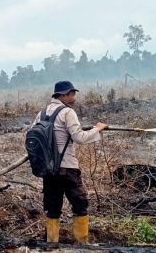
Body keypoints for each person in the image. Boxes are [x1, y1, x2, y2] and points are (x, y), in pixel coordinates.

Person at [34, 81, 107, 244]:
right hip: (67, 167)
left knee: (52, 209)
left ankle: (51, 245)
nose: (73, 97)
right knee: (80, 204)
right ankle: (82, 245)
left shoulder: (41, 113)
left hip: (48, 169)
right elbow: (79, 137)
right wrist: (98, 129)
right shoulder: (68, 112)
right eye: (71, 93)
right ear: (62, 95)